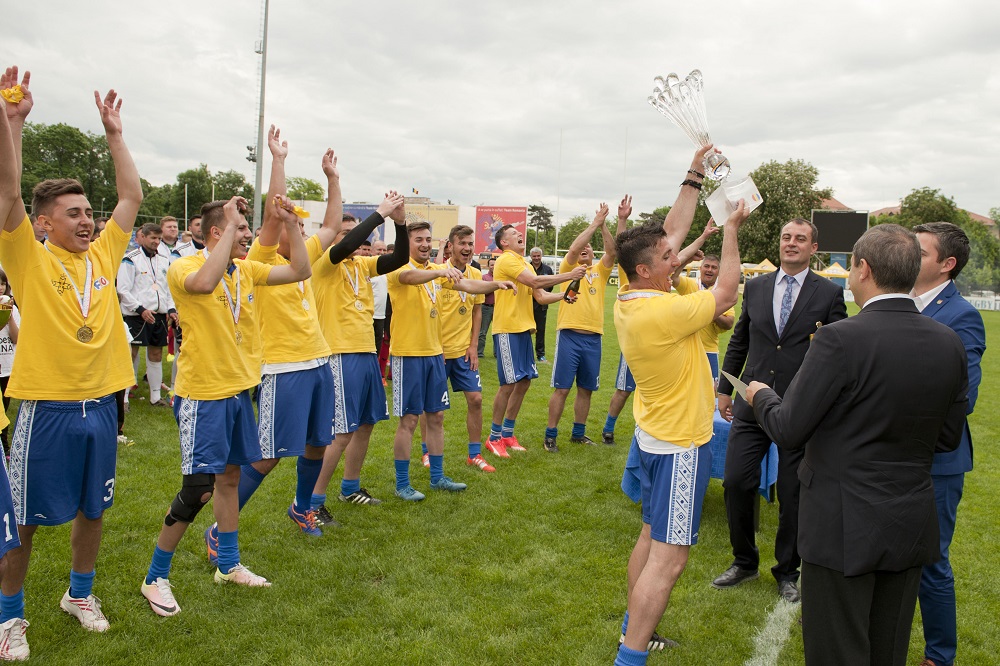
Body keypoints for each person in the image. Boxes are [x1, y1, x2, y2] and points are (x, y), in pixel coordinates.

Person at [746, 223, 969, 666]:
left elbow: (789, 429)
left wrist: (761, 396)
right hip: (908, 519)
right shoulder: (947, 342)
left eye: (850, 268)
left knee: (838, 650)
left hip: (842, 524)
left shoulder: (840, 338)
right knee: (888, 650)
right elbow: (946, 437)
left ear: (863, 269)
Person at [0, 69, 142, 644]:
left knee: (94, 508)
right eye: (74, 213)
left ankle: (79, 593)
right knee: (26, 520)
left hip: (101, 405)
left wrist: (114, 134)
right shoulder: (29, 258)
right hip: (46, 406)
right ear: (43, 223)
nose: (88, 221)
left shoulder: (105, 253)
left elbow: (130, 194)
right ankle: (10, 615)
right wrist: (13, 124)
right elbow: (7, 193)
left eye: (89, 212)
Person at [140, 194, 311, 617]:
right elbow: (202, 285)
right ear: (216, 232)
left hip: (238, 392)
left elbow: (301, 269)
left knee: (230, 479)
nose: (249, 238)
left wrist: (290, 222)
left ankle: (229, 564)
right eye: (240, 230)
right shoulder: (187, 266)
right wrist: (230, 227)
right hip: (203, 395)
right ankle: (155, 577)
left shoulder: (246, 270)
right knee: (197, 490)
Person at [614, 146, 750, 666]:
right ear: (646, 271)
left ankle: (634, 629)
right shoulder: (664, 311)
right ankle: (631, 654)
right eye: (669, 259)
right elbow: (726, 292)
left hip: (654, 437)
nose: (680, 257)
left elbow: (667, 233)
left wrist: (693, 176)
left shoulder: (636, 295)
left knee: (649, 539)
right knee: (668, 562)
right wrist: (732, 229)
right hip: (678, 447)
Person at [203, 128, 343, 551]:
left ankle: (302, 507)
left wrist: (333, 180)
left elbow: (334, 224)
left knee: (320, 442)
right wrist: (278, 160)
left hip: (318, 362)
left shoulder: (303, 252)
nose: (297, 226)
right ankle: (219, 532)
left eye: (299, 223)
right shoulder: (261, 258)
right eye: (291, 222)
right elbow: (270, 216)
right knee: (267, 454)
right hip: (283, 369)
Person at [713, 216, 847, 603]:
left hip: (800, 408)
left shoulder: (829, 293)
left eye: (800, 239)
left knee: (793, 495)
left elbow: (839, 350)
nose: (791, 243)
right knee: (737, 481)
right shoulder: (755, 287)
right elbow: (740, 341)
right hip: (752, 401)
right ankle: (744, 562)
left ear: (813, 248)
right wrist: (725, 389)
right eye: (786, 237)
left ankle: (788, 571)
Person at [386, 221, 512, 500]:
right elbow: (409, 279)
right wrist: (442, 271)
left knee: (436, 418)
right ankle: (402, 483)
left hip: (434, 354)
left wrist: (496, 284)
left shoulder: (434, 271)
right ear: (408, 243)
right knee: (408, 420)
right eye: (418, 239)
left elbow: (466, 283)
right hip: (408, 355)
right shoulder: (399, 267)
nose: (424, 244)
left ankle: (437, 476)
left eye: (427, 239)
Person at [911, 222, 986, 666]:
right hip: (888, 459)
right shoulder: (894, 303)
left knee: (931, 561)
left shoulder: (961, 315)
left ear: (946, 265)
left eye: (919, 252)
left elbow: (964, 398)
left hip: (936, 461)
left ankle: (940, 655)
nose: (908, 256)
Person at [310, 198, 409, 522]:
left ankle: (350, 486)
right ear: (334, 238)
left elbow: (400, 257)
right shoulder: (326, 262)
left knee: (365, 424)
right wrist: (378, 213)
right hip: (340, 354)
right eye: (347, 233)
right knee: (340, 432)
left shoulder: (360, 265)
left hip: (366, 353)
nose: (357, 240)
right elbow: (346, 245)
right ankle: (312, 501)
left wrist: (400, 221)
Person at [486, 227, 584, 457]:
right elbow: (535, 281)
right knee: (508, 384)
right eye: (513, 232)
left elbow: (540, 295)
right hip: (507, 329)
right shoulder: (507, 260)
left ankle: (508, 434)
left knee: (524, 382)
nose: (519, 233)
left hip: (523, 330)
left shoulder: (525, 263)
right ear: (504, 242)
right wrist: (569, 275)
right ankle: (494, 436)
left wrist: (563, 296)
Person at [543, 197, 627, 452]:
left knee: (587, 389)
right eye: (582, 247)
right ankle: (550, 435)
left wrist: (603, 227)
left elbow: (612, 252)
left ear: (593, 254)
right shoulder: (569, 268)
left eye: (589, 249)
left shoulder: (599, 272)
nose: (585, 249)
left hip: (594, 338)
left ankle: (578, 433)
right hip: (569, 336)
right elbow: (571, 250)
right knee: (562, 389)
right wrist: (593, 224)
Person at [419, 225, 495, 473]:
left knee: (476, 399)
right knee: (434, 410)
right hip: (438, 352)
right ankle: (427, 452)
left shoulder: (475, 272)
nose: (467, 248)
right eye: (462, 243)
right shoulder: (437, 272)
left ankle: (474, 454)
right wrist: (434, 347)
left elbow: (476, 311)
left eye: (471, 243)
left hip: (463, 352)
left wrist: (474, 345)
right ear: (450, 245)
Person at [117, 222, 177, 407]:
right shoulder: (130, 259)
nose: (156, 242)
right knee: (131, 354)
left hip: (158, 315)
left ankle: (155, 396)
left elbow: (168, 289)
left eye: (159, 238)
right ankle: (124, 397)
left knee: (156, 354)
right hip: (136, 315)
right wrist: (140, 309)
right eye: (153, 238)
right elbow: (123, 290)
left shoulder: (164, 260)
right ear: (142, 237)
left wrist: (171, 309)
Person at [0, 268, 19, 456]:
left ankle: (4, 446)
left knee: (4, 410)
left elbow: (17, 338)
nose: (0, 287)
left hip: (6, 367)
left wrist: (9, 315)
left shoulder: (12, 307)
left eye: (3, 283)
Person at [528, 246, 554, 361]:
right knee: (526, 329)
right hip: (527, 304)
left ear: (541, 256)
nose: (536, 258)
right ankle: (526, 354)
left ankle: (540, 355)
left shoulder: (547, 270)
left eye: (538, 256)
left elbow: (550, 286)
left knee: (540, 330)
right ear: (531, 257)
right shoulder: (526, 268)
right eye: (534, 256)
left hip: (542, 306)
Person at [477, 256, 496, 357]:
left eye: (495, 265)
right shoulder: (484, 278)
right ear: (488, 266)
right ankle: (479, 352)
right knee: (482, 332)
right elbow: (483, 291)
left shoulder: (501, 277)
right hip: (486, 308)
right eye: (492, 265)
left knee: (497, 332)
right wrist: (495, 285)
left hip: (498, 308)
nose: (494, 266)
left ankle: (497, 353)